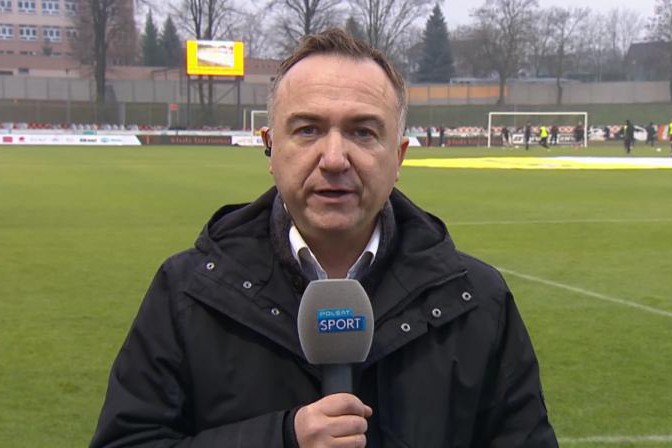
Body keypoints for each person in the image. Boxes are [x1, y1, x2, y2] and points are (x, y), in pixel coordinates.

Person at [90, 28, 558, 448]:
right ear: (271, 148)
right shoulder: (187, 291)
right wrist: (282, 439)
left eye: (363, 132)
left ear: (398, 157)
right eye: (308, 129)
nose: (334, 158)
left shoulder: (478, 300)